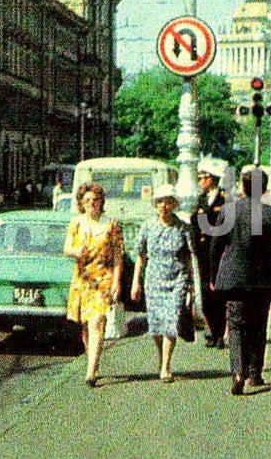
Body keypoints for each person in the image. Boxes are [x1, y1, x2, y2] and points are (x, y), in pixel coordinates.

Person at [214, 167, 271, 394]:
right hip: (262, 280)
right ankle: (255, 372)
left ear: (242, 187)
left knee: (236, 325)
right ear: (264, 189)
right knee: (259, 324)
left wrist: (212, 275)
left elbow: (216, 246)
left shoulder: (228, 212)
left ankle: (237, 371)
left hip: (235, 278)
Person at [131, 184, 196, 383]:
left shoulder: (183, 228)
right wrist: (136, 282)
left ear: (174, 204)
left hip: (177, 278)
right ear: (156, 205)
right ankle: (161, 357)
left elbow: (188, 257)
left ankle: (166, 366)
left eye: (168, 202)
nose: (164, 206)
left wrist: (192, 284)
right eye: (160, 202)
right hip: (154, 279)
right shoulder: (148, 226)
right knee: (156, 326)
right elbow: (141, 256)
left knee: (171, 321)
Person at [63, 182, 124, 387]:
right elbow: (67, 248)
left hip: (103, 279)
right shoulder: (76, 223)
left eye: (95, 200)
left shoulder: (111, 224)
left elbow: (117, 256)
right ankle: (94, 359)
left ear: (101, 202)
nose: (92, 204)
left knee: (97, 321)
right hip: (82, 280)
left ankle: (90, 371)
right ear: (81, 203)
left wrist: (117, 281)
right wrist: (75, 252)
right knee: (85, 326)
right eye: (87, 200)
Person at [191, 162, 230, 348]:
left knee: (219, 293)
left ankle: (220, 333)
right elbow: (194, 223)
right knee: (206, 294)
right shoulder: (200, 199)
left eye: (201, 179)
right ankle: (212, 329)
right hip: (203, 253)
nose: (199, 182)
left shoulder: (224, 200)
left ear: (211, 179)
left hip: (220, 252)